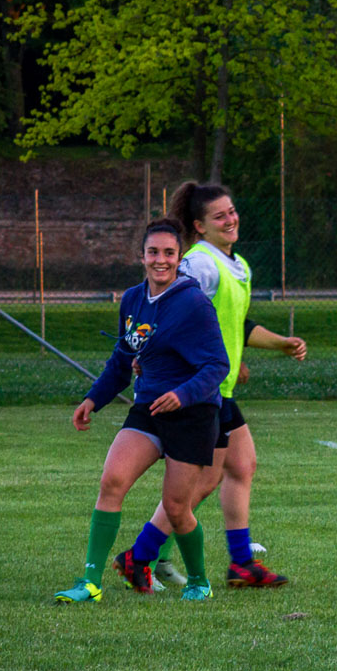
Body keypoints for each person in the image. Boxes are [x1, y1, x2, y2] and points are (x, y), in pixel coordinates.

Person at [110, 182, 307, 594]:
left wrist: (279, 345)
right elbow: (169, 311)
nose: (231, 219)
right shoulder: (199, 264)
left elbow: (235, 325)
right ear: (199, 226)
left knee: (241, 466)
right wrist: (150, 354)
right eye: (220, 216)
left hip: (221, 386)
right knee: (203, 481)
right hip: (197, 391)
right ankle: (143, 556)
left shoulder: (236, 265)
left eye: (232, 211)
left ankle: (237, 563)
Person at [55, 221, 229, 604]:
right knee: (112, 481)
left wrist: (182, 395)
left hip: (193, 413)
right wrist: (92, 400)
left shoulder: (194, 303)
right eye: (153, 252)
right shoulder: (133, 300)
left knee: (177, 508)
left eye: (169, 253)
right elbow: (123, 359)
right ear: (142, 256)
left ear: (179, 258)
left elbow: (218, 365)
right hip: (148, 407)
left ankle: (199, 581)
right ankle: (90, 583)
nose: (160, 260)